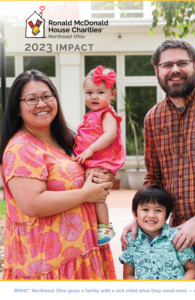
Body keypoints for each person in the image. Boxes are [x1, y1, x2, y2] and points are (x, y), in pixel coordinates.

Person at [121, 39, 195, 279]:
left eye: (182, 63)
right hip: (176, 240)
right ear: (157, 70)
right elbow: (154, 178)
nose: (174, 70)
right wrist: (139, 218)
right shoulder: (153, 118)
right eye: (167, 64)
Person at [0, 69, 116, 280]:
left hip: (86, 254)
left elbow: (100, 166)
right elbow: (31, 204)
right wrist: (86, 194)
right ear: (17, 109)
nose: (41, 104)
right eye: (31, 99)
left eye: (47, 96)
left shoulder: (72, 139)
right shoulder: (20, 149)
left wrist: (104, 178)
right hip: (49, 264)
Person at [74, 65, 126, 245]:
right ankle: (97, 224)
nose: (94, 96)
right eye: (89, 93)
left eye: (100, 92)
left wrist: (90, 150)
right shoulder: (90, 115)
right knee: (92, 193)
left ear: (112, 95)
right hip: (93, 162)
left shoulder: (107, 114)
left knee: (97, 194)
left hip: (102, 161)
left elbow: (110, 135)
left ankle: (105, 226)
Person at [119, 186, 195, 280]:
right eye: (145, 209)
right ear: (135, 213)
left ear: (166, 216)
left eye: (158, 210)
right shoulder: (131, 240)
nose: (151, 215)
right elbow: (128, 275)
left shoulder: (177, 237)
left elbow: (192, 269)